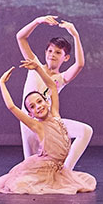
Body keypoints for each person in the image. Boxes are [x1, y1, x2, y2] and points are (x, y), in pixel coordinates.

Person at [0, 60, 96, 194]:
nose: (38, 106)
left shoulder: (55, 114)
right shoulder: (37, 126)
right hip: (42, 169)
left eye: (39, 101)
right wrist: (2, 83)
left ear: (47, 102)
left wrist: (38, 68)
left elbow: (52, 86)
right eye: (32, 106)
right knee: (21, 185)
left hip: (58, 170)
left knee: (87, 180)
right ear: (31, 114)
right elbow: (11, 106)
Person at [16, 15, 92, 170]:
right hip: (29, 122)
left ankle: (66, 170)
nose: (52, 54)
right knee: (31, 167)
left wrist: (75, 35)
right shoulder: (35, 66)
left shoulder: (62, 78)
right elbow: (21, 37)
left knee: (85, 131)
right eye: (50, 51)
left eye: (58, 52)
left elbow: (80, 64)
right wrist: (37, 21)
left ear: (66, 58)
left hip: (50, 123)